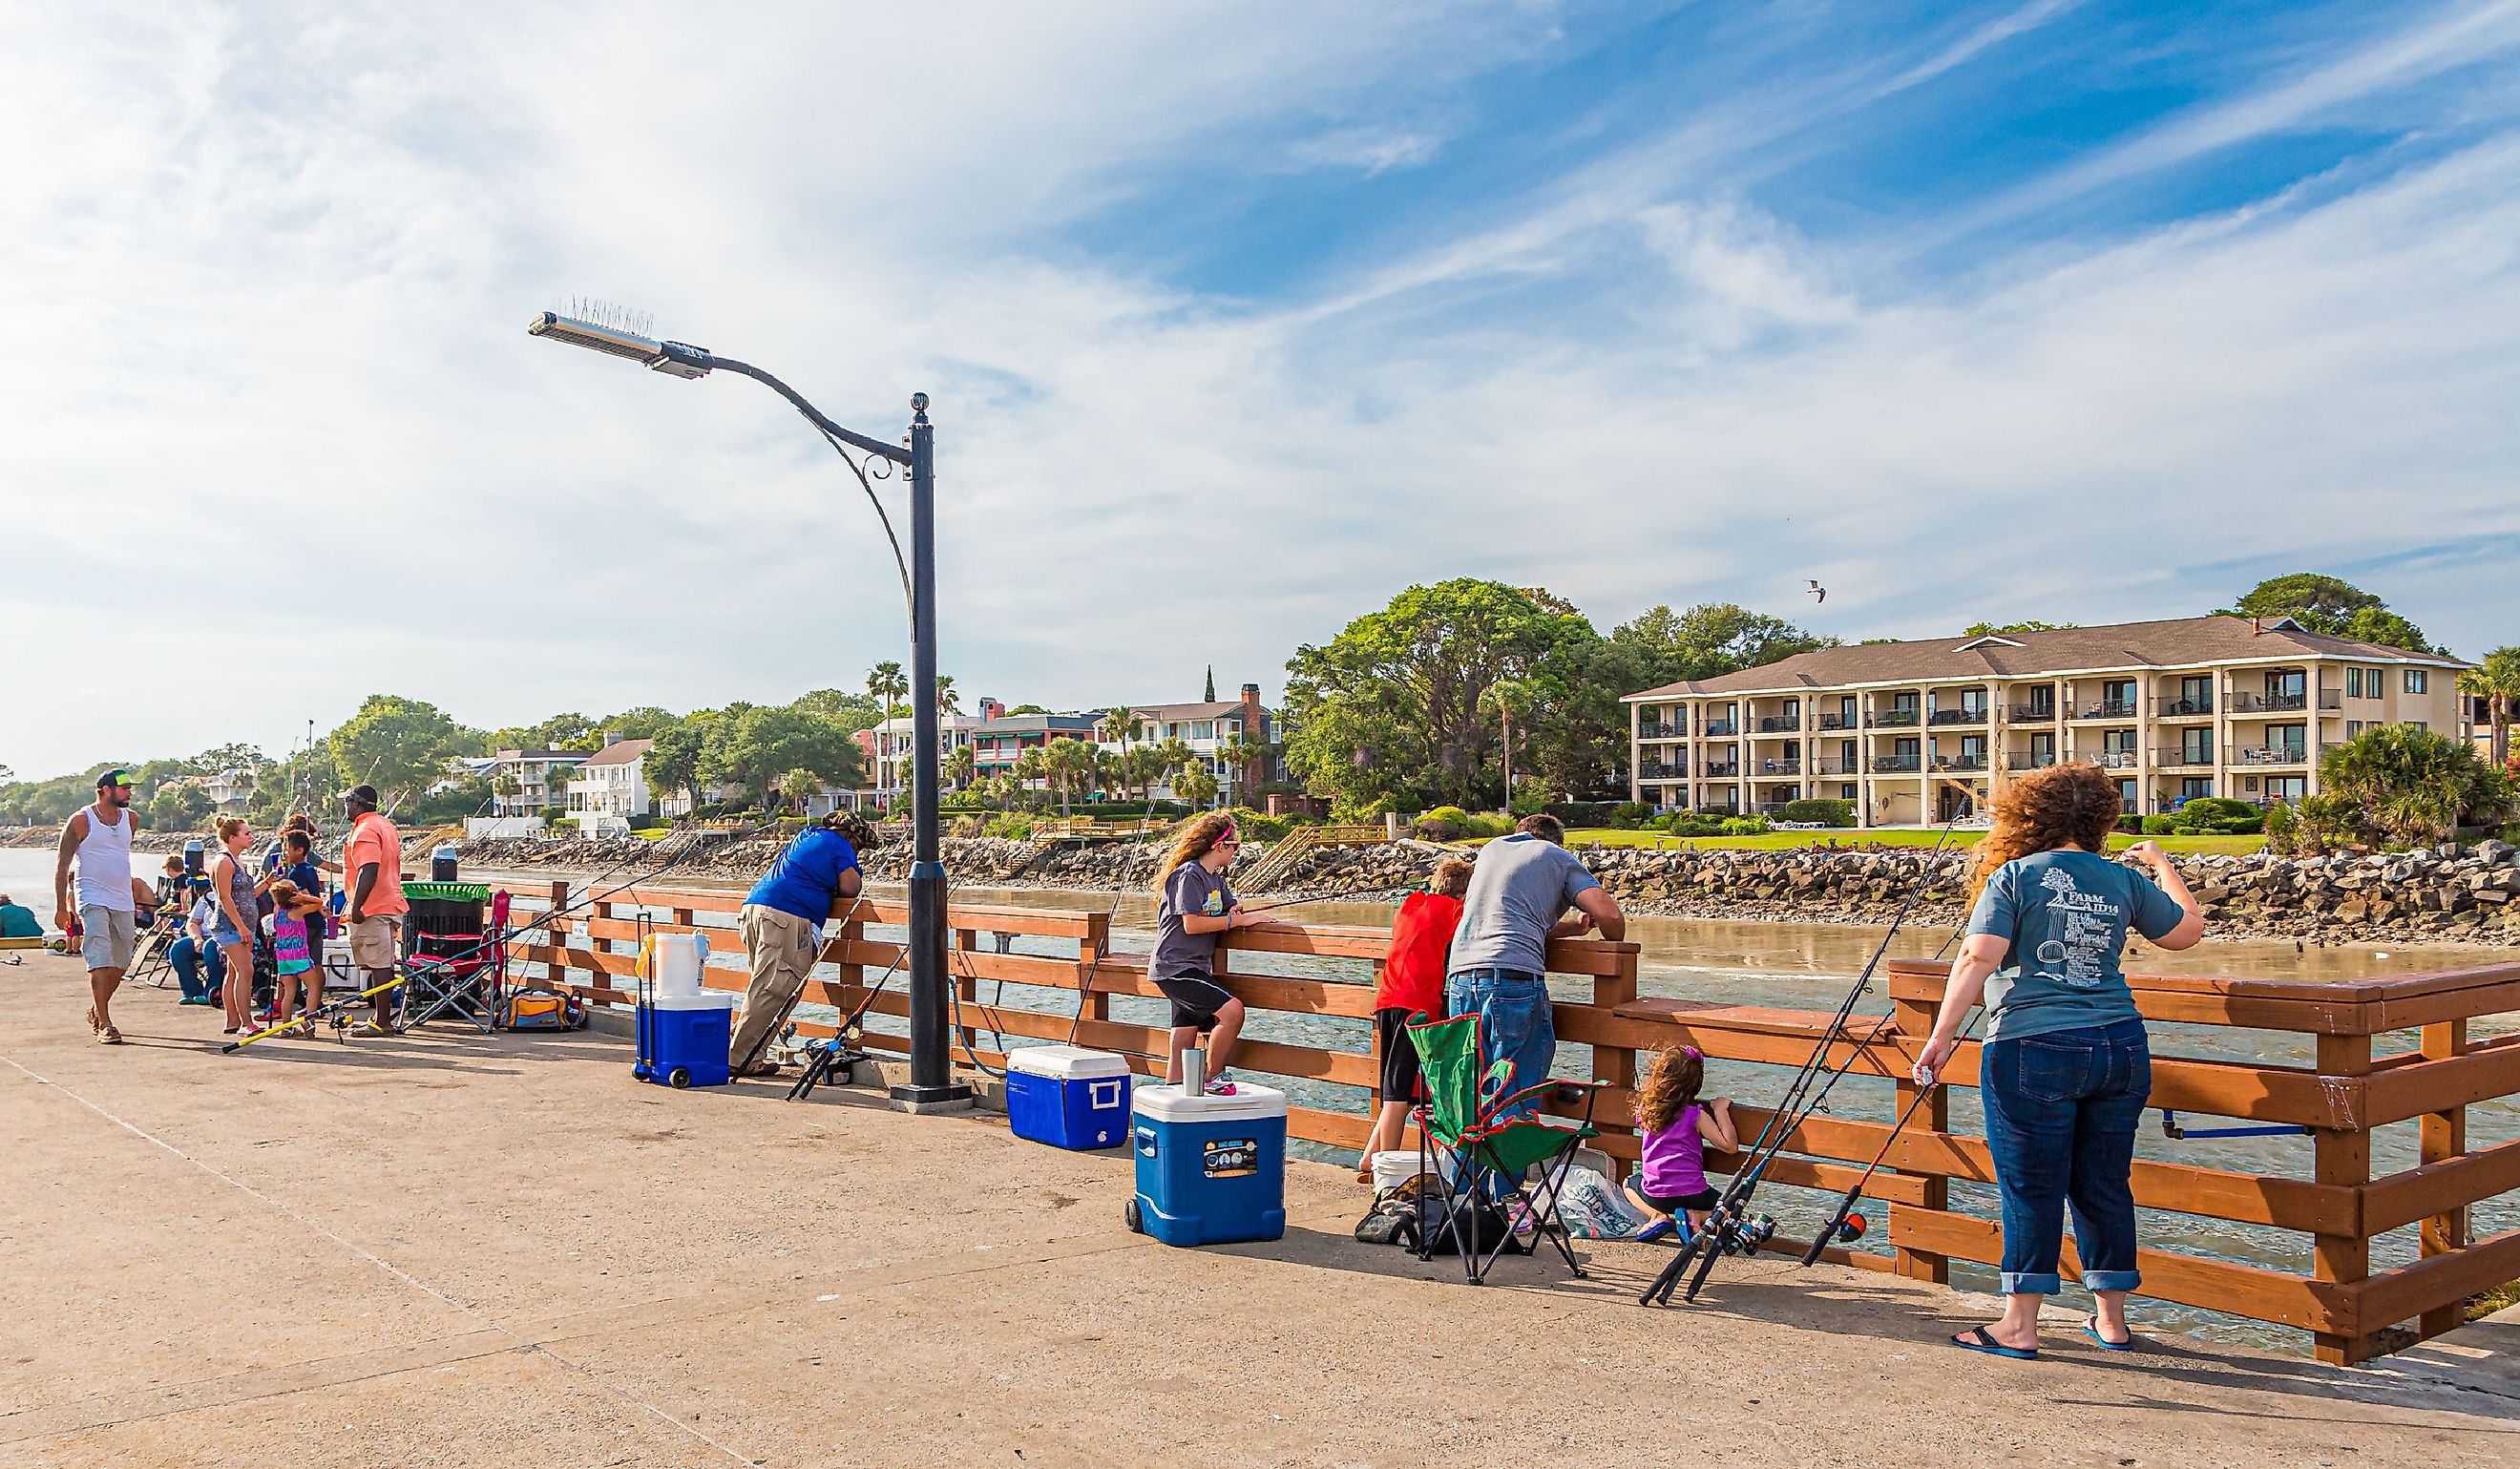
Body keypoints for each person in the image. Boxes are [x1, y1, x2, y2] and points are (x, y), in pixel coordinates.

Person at [1911, 762, 2205, 1360]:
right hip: (2120, 1046)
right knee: (2103, 1183)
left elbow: (1978, 957)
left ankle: (2019, 1326)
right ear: (2101, 820)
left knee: (2031, 1189)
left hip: (2031, 1048)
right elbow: (2186, 933)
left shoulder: (2013, 876)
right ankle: (2112, 1321)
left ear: (2027, 816)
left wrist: (1941, 1036)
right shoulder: (2120, 880)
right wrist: (2162, 866)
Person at [1443, 813, 1626, 1119]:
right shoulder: (1555, 855)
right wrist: (1615, 943)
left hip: (1461, 979)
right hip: (1512, 981)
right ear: (1555, 840)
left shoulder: (1491, 851)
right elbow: (1612, 917)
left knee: (1471, 1096)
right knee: (1512, 1095)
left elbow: (1515, 917)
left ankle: (1465, 1167)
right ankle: (1506, 1167)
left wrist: (1572, 928)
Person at [727, 811, 877, 1078]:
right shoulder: (839, 844)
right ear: (851, 836)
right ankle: (740, 1058)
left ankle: (747, 1052)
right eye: (859, 847)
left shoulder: (806, 836)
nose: (857, 853)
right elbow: (851, 887)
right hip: (785, 918)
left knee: (772, 988)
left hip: (754, 911)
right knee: (772, 990)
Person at [1357, 857, 1474, 1178]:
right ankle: (1386, 1176)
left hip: (1388, 1000)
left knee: (1400, 1083)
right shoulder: (1454, 911)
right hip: (1416, 1005)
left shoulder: (1409, 904)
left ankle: (1369, 1157)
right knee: (1397, 1093)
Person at [1148, 813, 1264, 1097]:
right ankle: (1213, 1076)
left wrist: (1234, 912)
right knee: (1232, 1011)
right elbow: (1192, 924)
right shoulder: (1189, 875)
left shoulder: (1216, 880)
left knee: (1184, 1035)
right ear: (1219, 846)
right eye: (1235, 845)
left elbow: (1228, 908)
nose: (1237, 851)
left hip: (1196, 968)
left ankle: (1173, 1099)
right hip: (1175, 967)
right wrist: (1235, 922)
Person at [53, 768, 141, 1043]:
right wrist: (60, 907)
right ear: (105, 789)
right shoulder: (81, 820)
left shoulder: (131, 819)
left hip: (122, 898)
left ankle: (96, 1008)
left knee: (124, 956)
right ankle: (105, 1023)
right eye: (124, 787)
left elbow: (117, 854)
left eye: (129, 788)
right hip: (91, 895)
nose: (129, 792)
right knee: (99, 956)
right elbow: (62, 865)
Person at [1626, 1045, 1738, 1239]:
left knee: (1628, 1183)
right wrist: (1720, 1110)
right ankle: (1698, 1217)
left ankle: (1657, 1216)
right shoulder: (1695, 1114)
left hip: (1656, 1196)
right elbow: (1729, 1146)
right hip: (1695, 1194)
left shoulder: (1646, 1110)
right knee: (1734, 1206)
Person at [341, 785, 409, 1036]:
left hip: (373, 907)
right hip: (389, 901)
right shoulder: (384, 825)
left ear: (356, 803)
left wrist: (357, 906)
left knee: (379, 964)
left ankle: (382, 1022)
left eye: (347, 802)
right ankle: (380, 1018)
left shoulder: (365, 829)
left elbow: (369, 868)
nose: (345, 807)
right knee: (383, 961)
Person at [208, 816, 261, 1036]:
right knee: (245, 970)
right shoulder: (224, 862)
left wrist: (266, 883)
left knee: (233, 971)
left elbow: (248, 895)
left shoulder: (238, 861)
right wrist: (240, 926)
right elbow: (225, 898)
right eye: (246, 834)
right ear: (232, 837)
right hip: (229, 925)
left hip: (244, 924)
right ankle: (247, 1022)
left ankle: (233, 1020)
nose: (251, 837)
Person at [268, 830, 327, 1015]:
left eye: (287, 849)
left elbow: (305, 896)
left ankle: (285, 1011)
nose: (285, 853)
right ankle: (314, 1006)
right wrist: (321, 909)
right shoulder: (310, 869)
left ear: (299, 850)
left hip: (304, 925)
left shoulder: (296, 873)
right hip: (316, 921)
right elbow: (316, 896)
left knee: (295, 982)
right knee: (316, 964)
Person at [262, 880, 325, 1030]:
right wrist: (303, 897)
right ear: (293, 896)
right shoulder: (296, 912)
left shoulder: (277, 911)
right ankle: (309, 1021)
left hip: (283, 958)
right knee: (314, 987)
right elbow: (319, 903)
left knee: (288, 992)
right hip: (299, 956)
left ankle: (286, 1026)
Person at [169, 876, 227, 1006]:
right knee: (178, 949)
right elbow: (192, 922)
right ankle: (191, 992)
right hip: (203, 936)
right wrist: (196, 938)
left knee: (210, 947)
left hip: (223, 937)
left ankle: (211, 992)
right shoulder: (206, 899)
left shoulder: (235, 898)